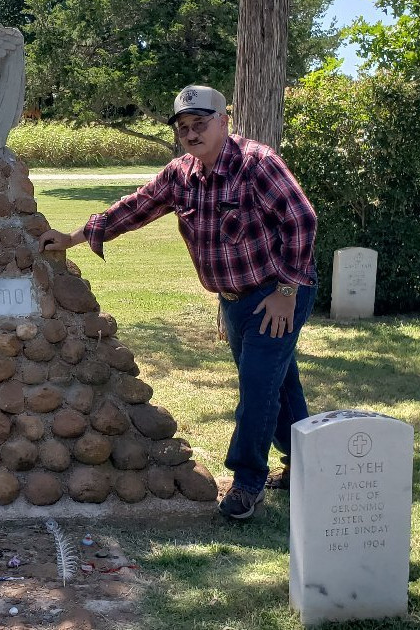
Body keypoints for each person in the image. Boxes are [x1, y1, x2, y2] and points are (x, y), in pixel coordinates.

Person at [39, 85, 317, 520]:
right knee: (278, 383)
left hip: (278, 292)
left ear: (224, 121)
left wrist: (286, 293)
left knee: (258, 386)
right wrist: (74, 237)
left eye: (200, 124)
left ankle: (247, 483)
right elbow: (136, 207)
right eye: (183, 127)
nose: (191, 134)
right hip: (235, 298)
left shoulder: (256, 165)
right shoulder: (180, 175)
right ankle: (306, 464)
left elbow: (301, 219)